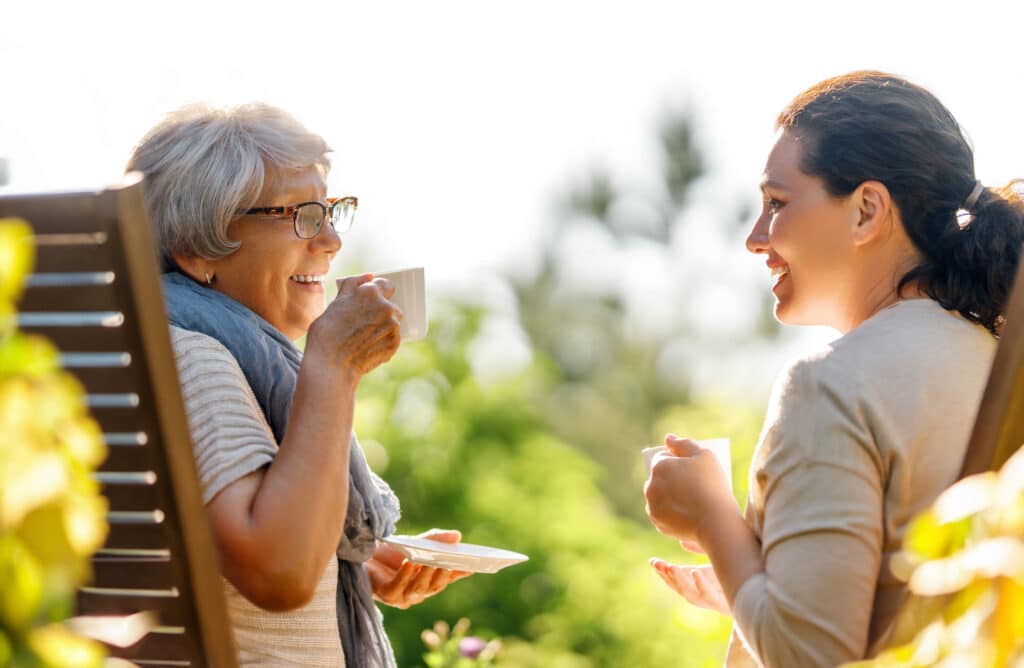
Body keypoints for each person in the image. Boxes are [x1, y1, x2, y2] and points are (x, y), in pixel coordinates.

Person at [643, 71, 1024, 667]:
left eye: (777, 203)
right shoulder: (993, 359)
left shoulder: (828, 386)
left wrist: (712, 517)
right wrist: (753, 582)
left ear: (867, 210)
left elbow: (814, 658)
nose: (754, 237)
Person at [127, 103, 470, 667]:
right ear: (197, 248)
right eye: (302, 215)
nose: (331, 240)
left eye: (332, 211)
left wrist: (352, 558)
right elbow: (277, 572)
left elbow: (252, 545)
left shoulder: (203, 348)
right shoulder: (189, 358)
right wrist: (333, 367)